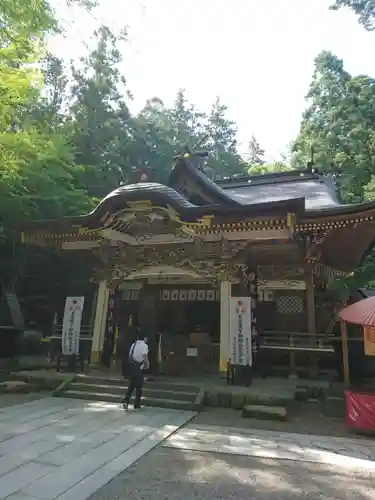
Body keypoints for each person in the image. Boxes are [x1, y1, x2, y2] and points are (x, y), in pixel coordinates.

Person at [123, 328, 149, 410]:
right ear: (144, 338)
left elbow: (130, 355)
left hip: (132, 367)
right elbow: (144, 355)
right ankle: (137, 403)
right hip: (139, 368)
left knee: (131, 385)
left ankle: (126, 400)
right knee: (139, 387)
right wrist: (147, 363)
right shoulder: (145, 345)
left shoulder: (133, 344)